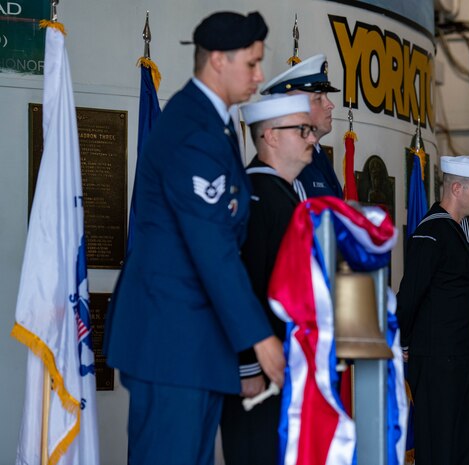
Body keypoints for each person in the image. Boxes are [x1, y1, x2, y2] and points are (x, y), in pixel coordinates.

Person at [103, 11, 285, 465]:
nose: (260, 76)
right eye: (252, 64)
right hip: (172, 341)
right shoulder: (192, 130)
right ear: (218, 60)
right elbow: (212, 248)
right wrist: (261, 341)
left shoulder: (214, 124)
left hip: (194, 343)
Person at [219, 93, 315, 464]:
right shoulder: (256, 195)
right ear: (271, 136)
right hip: (258, 374)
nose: (311, 138)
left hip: (283, 367)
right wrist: (247, 367)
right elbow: (241, 285)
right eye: (302, 129)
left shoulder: (282, 195)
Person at [396, 155, 469, 465]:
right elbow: (411, 293)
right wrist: (401, 340)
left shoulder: (456, 231)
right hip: (437, 356)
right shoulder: (432, 232)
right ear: (456, 188)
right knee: (439, 443)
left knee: (457, 443)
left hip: (456, 354)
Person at [260, 53, 343, 198]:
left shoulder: (317, 155)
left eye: (326, 97)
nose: (330, 105)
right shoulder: (285, 162)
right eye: (318, 98)